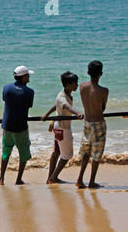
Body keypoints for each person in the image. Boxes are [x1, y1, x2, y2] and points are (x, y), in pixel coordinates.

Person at [41, 71, 84, 184]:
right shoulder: (62, 97)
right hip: (63, 129)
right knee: (67, 155)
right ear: (68, 85)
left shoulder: (67, 94)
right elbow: (66, 106)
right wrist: (78, 113)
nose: (77, 85)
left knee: (57, 152)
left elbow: (57, 105)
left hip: (58, 127)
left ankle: (50, 178)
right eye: (75, 83)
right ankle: (53, 178)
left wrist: (47, 114)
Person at [0, 65, 35, 185]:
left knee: (5, 153)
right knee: (23, 153)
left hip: (7, 126)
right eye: (28, 75)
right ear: (23, 77)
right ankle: (18, 179)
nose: (29, 77)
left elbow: (5, 100)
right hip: (21, 127)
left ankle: (1, 179)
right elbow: (28, 106)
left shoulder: (7, 88)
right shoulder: (30, 92)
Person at [76, 60, 109, 189]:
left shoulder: (82, 86)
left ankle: (79, 179)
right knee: (96, 155)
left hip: (87, 123)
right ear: (101, 74)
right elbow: (103, 108)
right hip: (98, 123)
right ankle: (91, 182)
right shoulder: (104, 90)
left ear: (88, 73)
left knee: (86, 152)